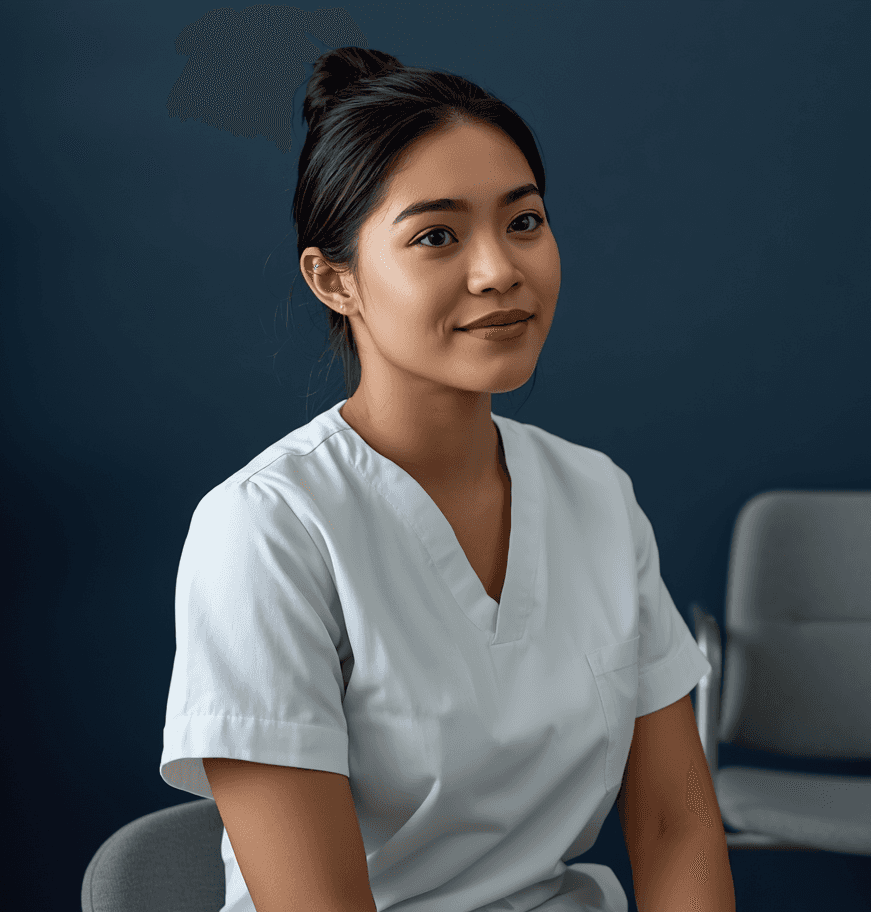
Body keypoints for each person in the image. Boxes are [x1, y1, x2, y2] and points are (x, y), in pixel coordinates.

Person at [159, 47, 736, 912]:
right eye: (436, 235)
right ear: (335, 279)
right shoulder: (268, 527)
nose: (500, 269)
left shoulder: (596, 495)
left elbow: (673, 828)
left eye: (524, 222)